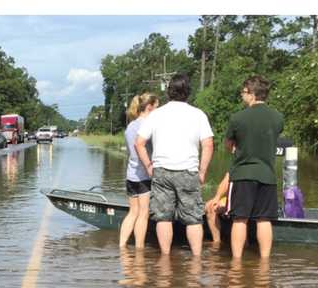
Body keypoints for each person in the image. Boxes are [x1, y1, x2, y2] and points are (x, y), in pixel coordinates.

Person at [135, 74, 214, 256]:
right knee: (194, 218)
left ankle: (165, 258)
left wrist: (148, 166)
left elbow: (138, 143)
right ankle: (196, 260)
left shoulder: (156, 114)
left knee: (163, 217)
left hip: (161, 171)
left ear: (169, 91)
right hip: (188, 171)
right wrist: (202, 171)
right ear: (188, 92)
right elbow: (208, 144)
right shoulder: (198, 114)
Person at [221, 75, 284, 259]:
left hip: (243, 174)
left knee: (240, 219)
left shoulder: (237, 118)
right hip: (267, 175)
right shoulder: (278, 117)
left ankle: (237, 262)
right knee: (264, 219)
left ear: (251, 93)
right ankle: (264, 262)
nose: (242, 95)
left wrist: (236, 148)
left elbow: (228, 144)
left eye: (243, 92)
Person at [120, 92, 159, 249]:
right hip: (144, 175)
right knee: (143, 214)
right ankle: (139, 250)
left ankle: (122, 246)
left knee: (133, 212)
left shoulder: (131, 125)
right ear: (149, 107)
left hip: (131, 175)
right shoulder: (147, 125)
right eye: (157, 107)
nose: (158, 110)